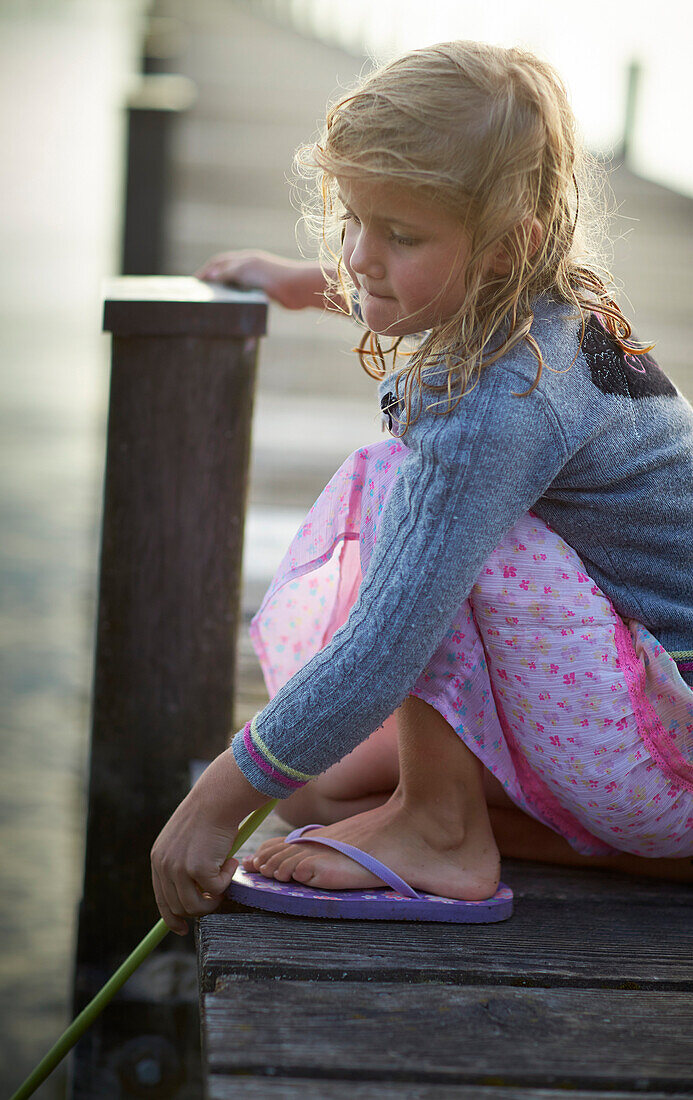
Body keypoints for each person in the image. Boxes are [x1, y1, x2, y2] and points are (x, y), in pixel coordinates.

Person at [151, 41, 693, 935]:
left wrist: (206, 808)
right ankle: (520, 834)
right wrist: (302, 284)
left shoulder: (494, 407)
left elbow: (384, 645)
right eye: (352, 220)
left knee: (407, 483)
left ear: (506, 245)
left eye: (398, 236)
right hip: (654, 736)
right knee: (320, 789)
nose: (361, 255)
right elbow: (427, 279)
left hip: (666, 757)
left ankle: (440, 830)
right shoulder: (547, 305)